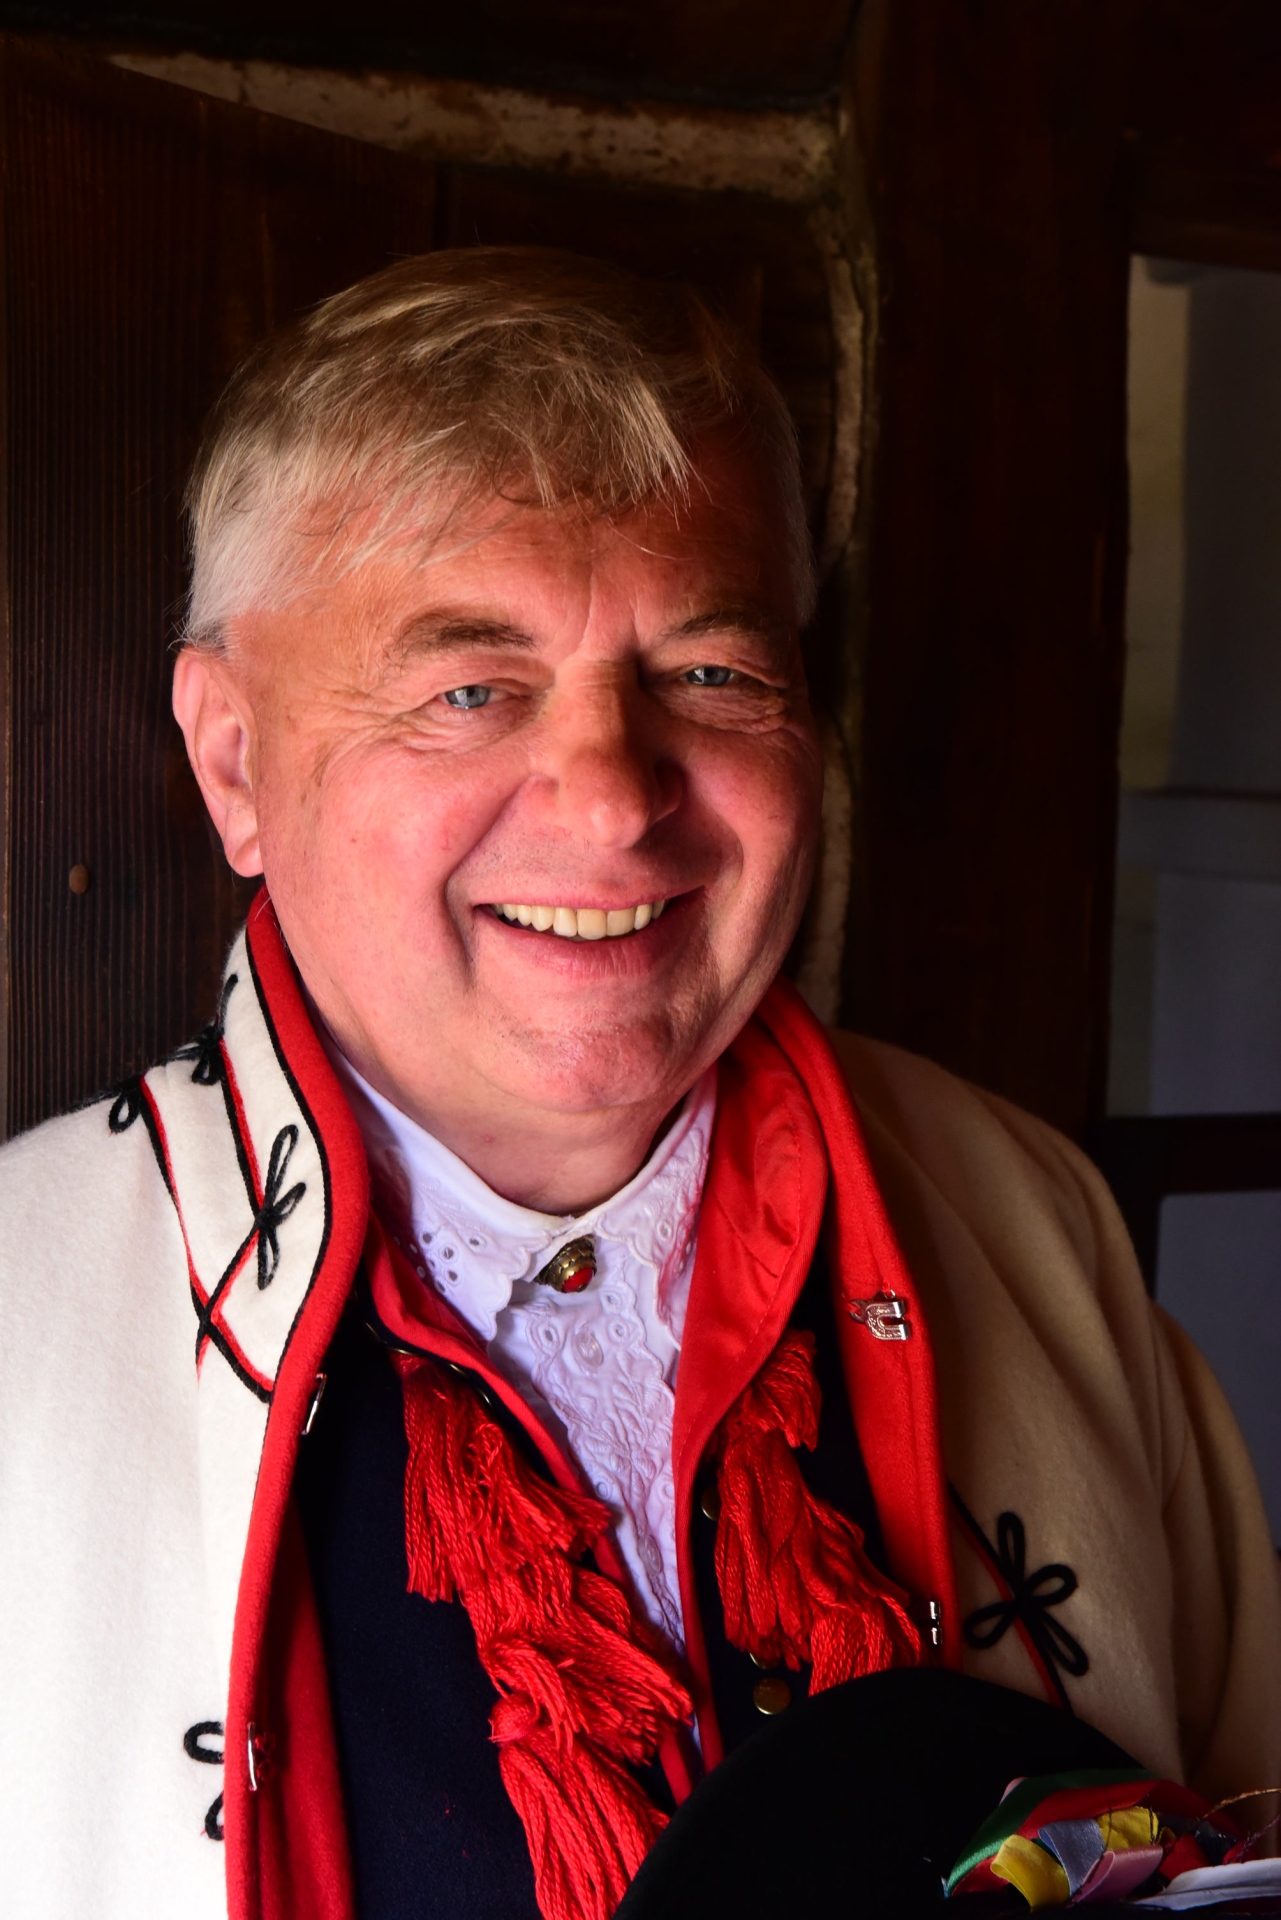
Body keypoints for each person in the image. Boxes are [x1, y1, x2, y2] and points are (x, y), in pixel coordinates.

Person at [0, 248, 1277, 1920]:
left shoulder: (1025, 1217)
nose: (611, 800)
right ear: (235, 760)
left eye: (707, 676)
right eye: (470, 689)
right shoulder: (22, 1311)